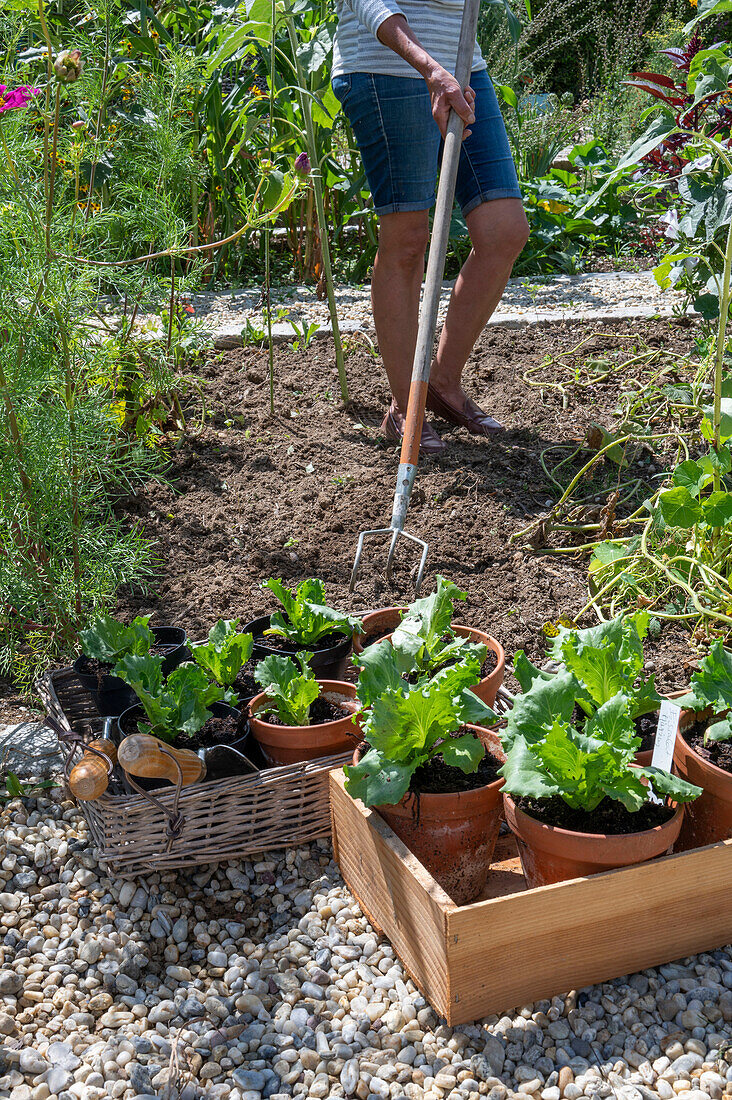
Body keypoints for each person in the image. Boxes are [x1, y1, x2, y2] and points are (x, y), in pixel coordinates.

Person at [331, 0, 529, 455]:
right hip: (387, 70)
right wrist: (428, 68)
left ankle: (441, 381)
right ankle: (406, 405)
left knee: (504, 230)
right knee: (407, 240)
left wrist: (445, 72)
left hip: (462, 67)